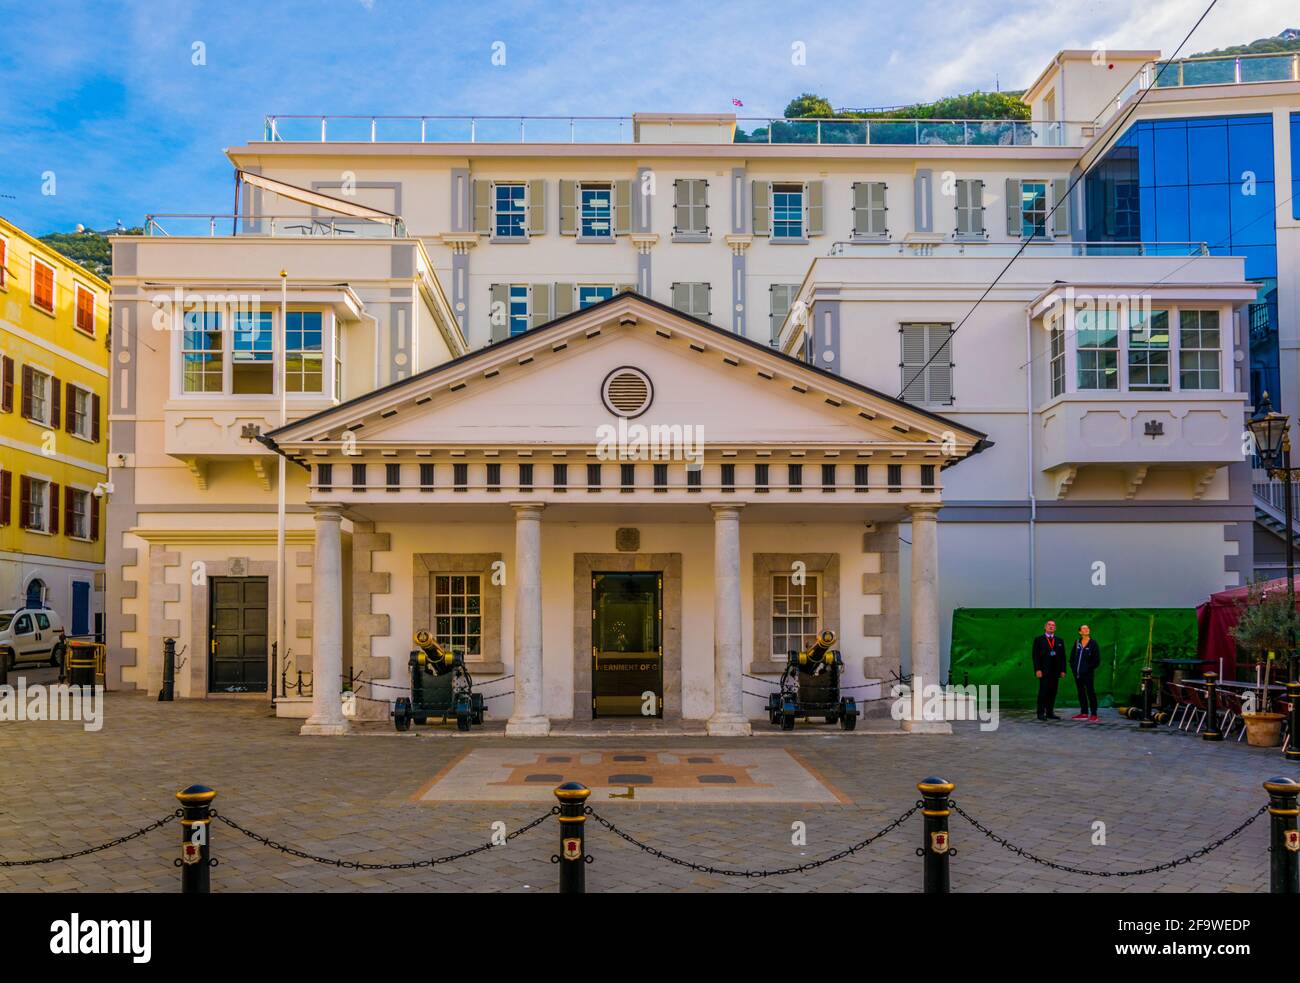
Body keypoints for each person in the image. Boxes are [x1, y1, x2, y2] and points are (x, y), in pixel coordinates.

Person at [1031, 620, 1067, 720]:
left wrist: (1063, 670)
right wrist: (1037, 669)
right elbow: (1035, 656)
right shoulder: (1039, 640)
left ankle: (1050, 712)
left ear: (1055, 628)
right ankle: (1040, 713)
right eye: (1049, 625)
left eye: (1053, 625)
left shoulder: (1060, 640)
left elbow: (1063, 657)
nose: (1051, 626)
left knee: (1053, 692)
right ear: (1045, 627)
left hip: (1056, 672)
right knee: (1043, 692)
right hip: (1044, 671)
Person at [1070, 624, 1101, 722]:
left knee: (1091, 692)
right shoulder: (1077, 642)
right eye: (1084, 628)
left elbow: (1096, 660)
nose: (1086, 629)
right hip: (1077, 674)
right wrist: (1074, 669)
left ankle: (1094, 714)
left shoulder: (1093, 643)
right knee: (1081, 693)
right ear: (1080, 632)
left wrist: (1087, 669)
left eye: (1087, 628)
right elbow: (1072, 658)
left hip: (1088, 674)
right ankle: (1084, 713)